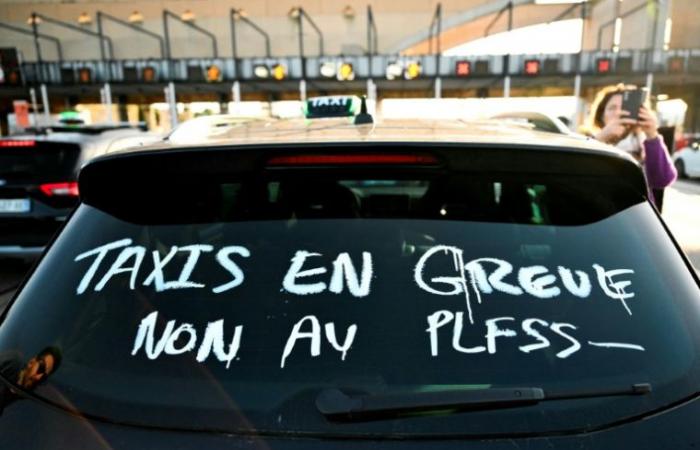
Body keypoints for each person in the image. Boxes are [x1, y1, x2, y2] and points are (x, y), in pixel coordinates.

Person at [588, 84, 676, 209]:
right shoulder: (588, 142)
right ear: (601, 116)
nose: (619, 112)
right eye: (612, 108)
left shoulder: (647, 146)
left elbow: (662, 180)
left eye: (625, 107)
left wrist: (652, 133)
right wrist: (601, 138)